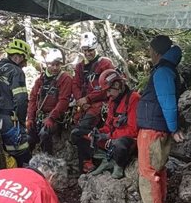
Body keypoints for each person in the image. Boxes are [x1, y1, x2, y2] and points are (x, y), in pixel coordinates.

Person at [131, 35, 184, 203]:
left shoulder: (162, 72)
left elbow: (168, 102)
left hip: (153, 130)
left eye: (151, 52)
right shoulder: (168, 70)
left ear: (156, 52)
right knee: (158, 171)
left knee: (148, 173)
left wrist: (173, 128)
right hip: (158, 129)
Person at [73, 69, 140, 179]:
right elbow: (109, 126)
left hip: (127, 142)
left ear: (117, 84)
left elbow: (133, 130)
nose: (108, 95)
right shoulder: (112, 101)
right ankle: (102, 159)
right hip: (111, 139)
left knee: (119, 144)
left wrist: (108, 136)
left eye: (109, 91)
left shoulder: (134, 99)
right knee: (78, 133)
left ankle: (118, 164)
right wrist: (99, 133)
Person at [70, 32, 115, 172]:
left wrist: (88, 99)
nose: (87, 53)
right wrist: (80, 100)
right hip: (84, 105)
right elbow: (75, 85)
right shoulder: (80, 67)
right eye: (85, 50)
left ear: (95, 48)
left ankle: (89, 161)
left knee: (81, 130)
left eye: (90, 50)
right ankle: (88, 160)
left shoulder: (104, 63)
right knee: (77, 127)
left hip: (99, 104)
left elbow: (107, 86)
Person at [26, 48, 74, 155]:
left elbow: (63, 101)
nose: (55, 68)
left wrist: (51, 118)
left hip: (56, 118)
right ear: (47, 64)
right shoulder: (40, 80)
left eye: (57, 65)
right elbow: (33, 99)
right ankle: (26, 164)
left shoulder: (65, 79)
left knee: (44, 134)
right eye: (52, 64)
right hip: (40, 116)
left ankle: (48, 160)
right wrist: (30, 118)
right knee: (29, 137)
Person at [0, 38, 33, 167]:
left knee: (6, 153)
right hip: (11, 121)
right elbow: (21, 100)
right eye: (25, 60)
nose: (25, 64)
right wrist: (22, 121)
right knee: (22, 153)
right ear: (18, 57)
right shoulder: (16, 72)